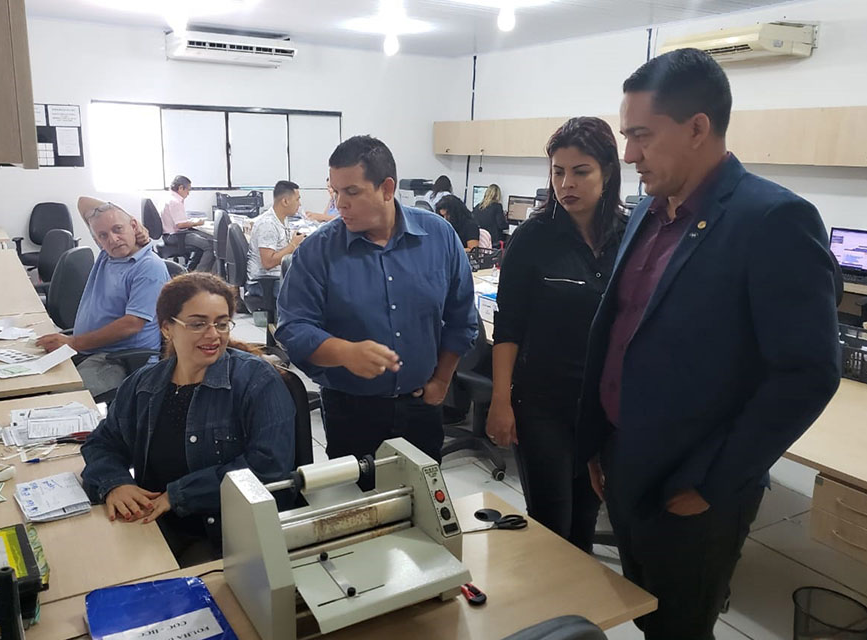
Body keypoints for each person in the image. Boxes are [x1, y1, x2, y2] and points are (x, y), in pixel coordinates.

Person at [575, 49, 840, 639]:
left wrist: (715, 483)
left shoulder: (773, 220)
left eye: (642, 135)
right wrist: (600, 440)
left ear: (698, 127)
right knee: (643, 611)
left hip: (692, 484)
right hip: (624, 460)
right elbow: (626, 332)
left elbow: (808, 372)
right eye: (627, 134)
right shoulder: (648, 208)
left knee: (680, 627)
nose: (628, 154)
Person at [276, 135, 477, 463]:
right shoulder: (318, 251)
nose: (340, 204)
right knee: (358, 506)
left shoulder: (438, 237)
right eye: (335, 191)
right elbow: (293, 327)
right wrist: (345, 352)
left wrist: (442, 380)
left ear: (386, 188)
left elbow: (461, 317)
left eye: (352, 192)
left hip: (421, 407)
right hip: (351, 411)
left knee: (422, 506)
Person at [81, 272, 296, 567]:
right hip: (157, 526)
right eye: (198, 324)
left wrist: (177, 495)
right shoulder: (144, 384)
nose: (214, 334)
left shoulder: (256, 381)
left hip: (225, 537)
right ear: (167, 328)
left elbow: (270, 466)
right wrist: (116, 484)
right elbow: (102, 443)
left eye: (221, 323)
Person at [486, 117, 626, 552]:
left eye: (580, 171)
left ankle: (576, 614)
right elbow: (508, 325)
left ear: (607, 172)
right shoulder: (535, 236)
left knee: (585, 518)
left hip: (602, 405)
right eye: (558, 171)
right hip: (543, 402)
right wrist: (501, 400)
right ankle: (548, 611)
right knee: (551, 522)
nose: (567, 183)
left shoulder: (629, 235)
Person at [36, 198, 170, 399]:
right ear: (97, 240)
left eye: (118, 229)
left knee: (59, 399)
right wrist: (74, 343)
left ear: (133, 226)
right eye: (103, 235)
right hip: (90, 350)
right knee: (34, 381)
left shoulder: (148, 267)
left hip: (119, 360)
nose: (113, 239)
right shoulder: (109, 254)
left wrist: (73, 343)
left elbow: (131, 325)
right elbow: (83, 203)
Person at [246, 180, 306, 302]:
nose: (299, 204)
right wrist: (293, 244)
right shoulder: (268, 224)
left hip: (278, 277)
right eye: (297, 200)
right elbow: (268, 263)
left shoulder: (282, 219)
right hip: (264, 283)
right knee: (311, 293)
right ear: (285, 201)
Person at [160, 175, 216, 273]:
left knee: (202, 243)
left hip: (170, 235)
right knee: (210, 246)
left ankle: (190, 270)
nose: (188, 194)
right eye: (188, 190)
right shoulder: (175, 201)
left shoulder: (168, 197)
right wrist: (196, 223)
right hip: (176, 236)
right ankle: (198, 275)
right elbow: (180, 225)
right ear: (181, 188)